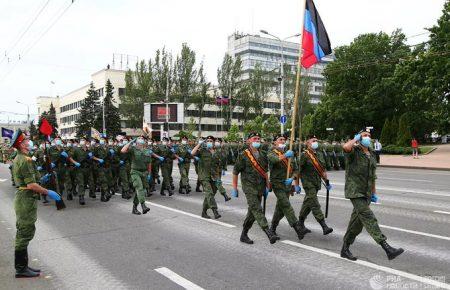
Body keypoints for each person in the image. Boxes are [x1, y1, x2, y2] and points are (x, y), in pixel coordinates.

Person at [341, 130, 404, 261]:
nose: (368, 137)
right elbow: (345, 147)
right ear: (359, 137)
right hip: (355, 191)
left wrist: (374, 192)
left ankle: (345, 249)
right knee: (369, 218)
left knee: (356, 224)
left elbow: (372, 176)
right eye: (365, 135)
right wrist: (355, 139)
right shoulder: (354, 151)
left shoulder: (371, 153)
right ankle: (386, 248)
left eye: (369, 136)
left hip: (367, 192)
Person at [10, 129, 63, 278]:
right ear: (21, 144)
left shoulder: (24, 157)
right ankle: (20, 269)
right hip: (25, 199)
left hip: (27, 198)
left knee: (26, 232)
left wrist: (43, 179)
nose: (29, 141)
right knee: (24, 233)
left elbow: (31, 181)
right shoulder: (24, 159)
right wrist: (48, 192)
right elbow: (31, 185)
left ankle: (23, 266)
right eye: (26, 140)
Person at [232, 132, 278, 244]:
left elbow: (265, 171)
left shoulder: (263, 154)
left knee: (252, 213)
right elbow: (235, 171)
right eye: (254, 138)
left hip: (260, 187)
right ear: (248, 141)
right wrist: (234, 188)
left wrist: (267, 185)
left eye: (258, 138)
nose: (257, 140)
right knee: (257, 209)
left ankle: (244, 234)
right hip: (249, 187)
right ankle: (268, 232)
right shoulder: (243, 155)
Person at [268, 134, 307, 240]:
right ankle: (297, 227)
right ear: (275, 142)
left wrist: (292, 178)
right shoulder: (271, 152)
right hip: (277, 184)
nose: (282, 141)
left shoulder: (289, 154)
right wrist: (286, 156)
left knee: (280, 209)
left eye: (284, 140)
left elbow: (296, 169)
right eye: (280, 139)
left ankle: (272, 228)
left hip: (287, 185)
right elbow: (274, 160)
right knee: (286, 205)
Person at [298, 136, 333, 237]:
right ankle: (324, 226)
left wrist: (326, 182)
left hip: (316, 183)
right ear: (308, 143)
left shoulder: (320, 154)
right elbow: (298, 170)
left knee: (308, 204)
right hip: (308, 183)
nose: (315, 142)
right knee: (314, 203)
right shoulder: (304, 155)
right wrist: (295, 184)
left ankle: (300, 223)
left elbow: (322, 170)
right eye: (313, 141)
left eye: (316, 141)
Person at [191, 136, 222, 219]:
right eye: (207, 141)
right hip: (204, 175)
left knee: (211, 194)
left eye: (210, 141)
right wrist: (199, 144)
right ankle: (215, 211)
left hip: (214, 175)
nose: (209, 142)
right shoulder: (202, 150)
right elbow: (192, 153)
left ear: (213, 142)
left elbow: (219, 163)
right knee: (209, 193)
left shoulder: (217, 151)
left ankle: (204, 212)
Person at [121, 136, 152, 215]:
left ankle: (134, 208)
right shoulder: (133, 149)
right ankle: (143, 206)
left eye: (142, 139)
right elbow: (123, 150)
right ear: (137, 141)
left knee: (140, 191)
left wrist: (149, 173)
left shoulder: (147, 151)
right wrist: (131, 142)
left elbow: (149, 163)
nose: (141, 140)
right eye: (139, 138)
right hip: (135, 172)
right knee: (139, 188)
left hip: (144, 173)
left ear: (145, 141)